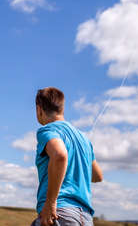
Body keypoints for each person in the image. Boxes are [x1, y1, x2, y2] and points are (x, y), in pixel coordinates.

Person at [32, 87, 103, 226]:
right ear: (62, 109)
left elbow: (59, 155)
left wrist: (51, 202)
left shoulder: (48, 130)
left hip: (59, 214)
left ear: (39, 109)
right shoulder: (84, 139)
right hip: (86, 218)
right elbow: (97, 176)